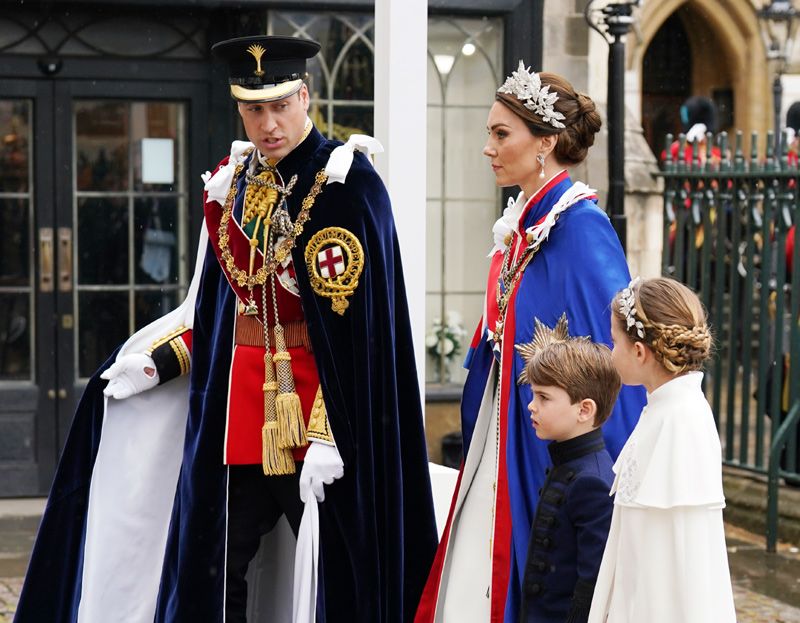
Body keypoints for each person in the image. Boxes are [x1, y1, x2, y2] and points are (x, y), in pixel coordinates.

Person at [16, 35, 437, 623]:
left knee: (339, 569)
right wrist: (158, 363)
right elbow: (216, 311)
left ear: (306, 95)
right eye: (253, 108)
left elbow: (363, 338)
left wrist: (328, 432)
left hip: (324, 417)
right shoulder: (232, 184)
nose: (268, 124)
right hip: (241, 415)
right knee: (215, 567)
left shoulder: (348, 186)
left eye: (280, 105)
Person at [415, 62, 644, 623]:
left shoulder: (579, 226)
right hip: (506, 435)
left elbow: (614, 360)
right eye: (489, 133)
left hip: (545, 449)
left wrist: (608, 476)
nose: (489, 148)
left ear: (545, 142)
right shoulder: (524, 222)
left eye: (501, 134)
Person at [589, 277, 736, 622]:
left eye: (614, 342)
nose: (611, 352)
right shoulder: (663, 410)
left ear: (639, 352)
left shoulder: (680, 422)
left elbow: (684, 558)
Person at [517, 315, 620, 623]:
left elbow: (590, 587)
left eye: (543, 397)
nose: (531, 406)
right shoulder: (567, 464)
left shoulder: (592, 482)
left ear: (584, 409)